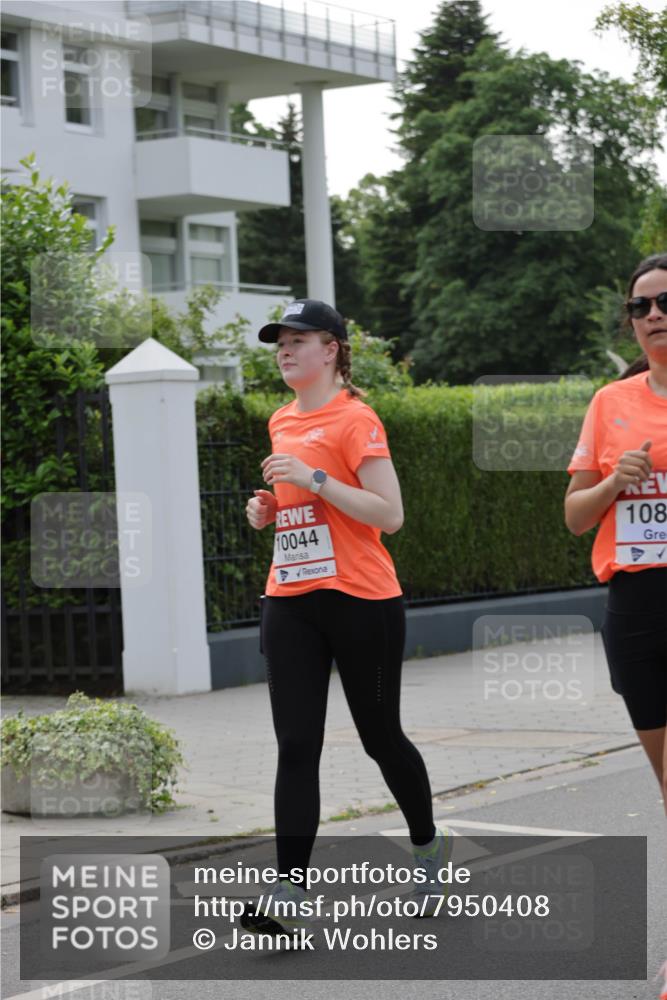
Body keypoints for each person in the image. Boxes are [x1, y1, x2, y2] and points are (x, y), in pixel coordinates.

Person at [241, 299, 451, 936]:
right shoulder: (281, 419)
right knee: (296, 746)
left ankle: (427, 847)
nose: (284, 349)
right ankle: (290, 892)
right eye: (279, 341)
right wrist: (273, 509)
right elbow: (306, 504)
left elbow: (389, 515)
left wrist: (314, 478)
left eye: (298, 339)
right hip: (291, 598)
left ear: (331, 349)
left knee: (379, 737)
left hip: (362, 599)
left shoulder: (357, 419)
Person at [565, 254, 667, 1000]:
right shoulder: (609, 402)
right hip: (634, 607)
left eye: (664, 302)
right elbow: (574, 518)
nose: (653, 316)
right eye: (640, 307)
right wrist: (612, 481)